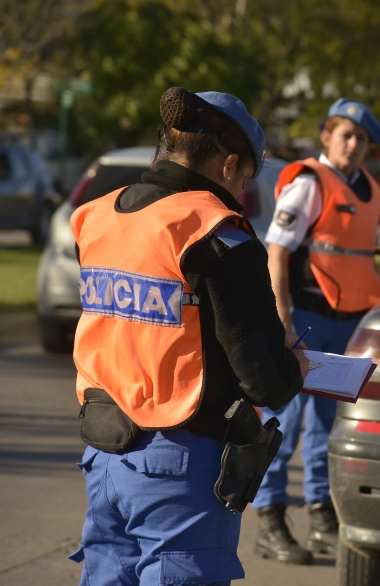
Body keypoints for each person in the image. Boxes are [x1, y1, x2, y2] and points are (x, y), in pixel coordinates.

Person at [67, 86, 310, 586]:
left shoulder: (97, 216)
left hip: (104, 453)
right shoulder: (217, 233)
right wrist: (296, 367)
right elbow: (264, 381)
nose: (242, 190)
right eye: (246, 175)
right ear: (228, 165)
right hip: (178, 468)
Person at [253, 98, 380, 564]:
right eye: (344, 134)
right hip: (305, 322)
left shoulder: (369, 189)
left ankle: (321, 516)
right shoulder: (311, 182)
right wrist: (283, 323)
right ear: (326, 137)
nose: (352, 144)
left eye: (361, 138)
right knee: (283, 424)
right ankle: (270, 517)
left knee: (327, 427)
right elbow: (277, 253)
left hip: (344, 326)